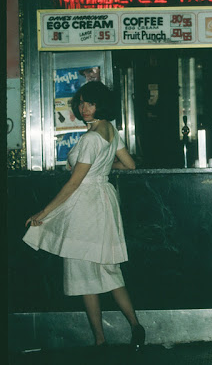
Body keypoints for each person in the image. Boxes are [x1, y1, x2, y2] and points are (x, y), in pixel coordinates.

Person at [23, 81, 145, 351]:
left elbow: (74, 183)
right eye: (81, 103)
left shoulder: (90, 138)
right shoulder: (109, 130)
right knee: (109, 268)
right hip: (104, 201)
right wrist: (102, 168)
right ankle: (136, 325)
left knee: (82, 272)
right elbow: (129, 164)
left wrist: (43, 212)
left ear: (101, 105)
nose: (84, 108)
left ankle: (100, 340)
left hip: (85, 205)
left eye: (90, 103)